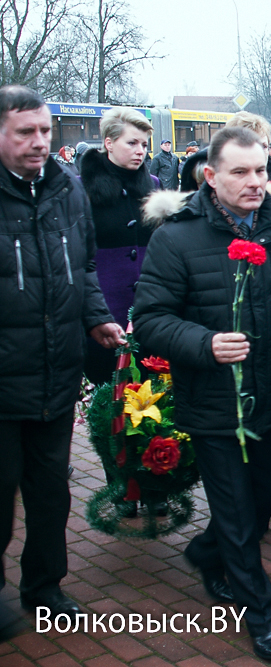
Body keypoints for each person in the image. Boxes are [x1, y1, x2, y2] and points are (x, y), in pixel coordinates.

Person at [133, 127, 271, 661]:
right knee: (239, 516)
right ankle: (262, 613)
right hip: (212, 402)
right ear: (211, 176)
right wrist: (204, 343)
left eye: (261, 172)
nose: (253, 183)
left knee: (263, 502)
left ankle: (205, 552)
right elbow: (149, 319)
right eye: (240, 172)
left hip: (270, 397)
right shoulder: (176, 237)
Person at [0, 85, 123, 634]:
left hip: (56, 372)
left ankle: (44, 587)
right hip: (3, 379)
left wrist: (96, 316)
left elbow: (86, 265)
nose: (40, 142)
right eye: (25, 131)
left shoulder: (68, 190)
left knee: (51, 495)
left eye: (45, 131)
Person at [79, 108, 158, 386]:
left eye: (145, 145)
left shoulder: (154, 187)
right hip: (103, 314)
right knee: (107, 404)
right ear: (109, 143)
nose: (140, 151)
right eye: (132, 143)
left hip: (148, 312)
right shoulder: (80, 190)